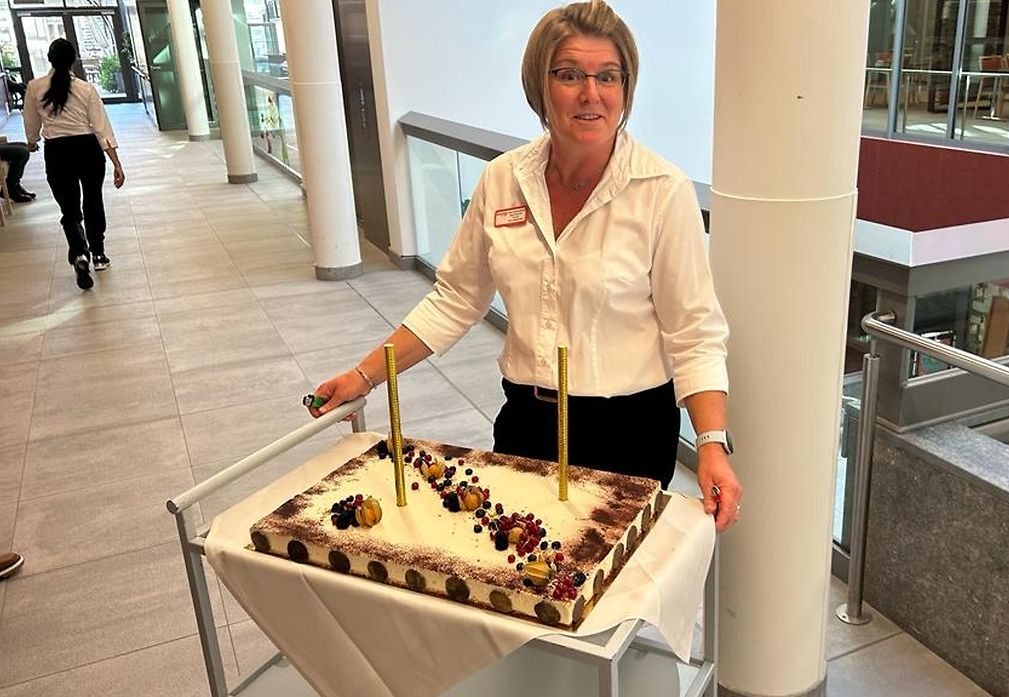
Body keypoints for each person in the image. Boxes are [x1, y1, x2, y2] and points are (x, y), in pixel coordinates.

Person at [311, 1, 742, 531]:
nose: (591, 93)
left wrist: (711, 446)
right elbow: (455, 298)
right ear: (539, 86)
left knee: (607, 577)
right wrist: (364, 375)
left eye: (608, 76)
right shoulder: (502, 179)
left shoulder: (661, 191)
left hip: (628, 431)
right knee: (519, 563)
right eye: (569, 75)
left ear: (626, 88)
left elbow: (694, 331)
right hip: (527, 422)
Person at [23, 38, 125, 291]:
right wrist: (116, 163)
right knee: (93, 200)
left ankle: (79, 254)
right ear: (74, 60)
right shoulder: (85, 89)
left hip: (57, 152)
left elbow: (31, 122)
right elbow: (101, 129)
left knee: (69, 208)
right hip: (87, 149)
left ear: (50, 59)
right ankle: (98, 254)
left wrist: (32, 142)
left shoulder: (35, 87)